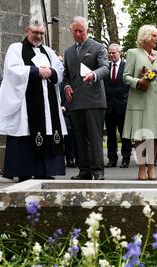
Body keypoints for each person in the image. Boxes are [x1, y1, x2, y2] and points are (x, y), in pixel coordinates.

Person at [0, 20, 67, 181]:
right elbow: (12, 69)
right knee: (25, 133)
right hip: (26, 104)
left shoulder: (48, 51)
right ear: (27, 31)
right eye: (35, 33)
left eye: (42, 33)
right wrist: (36, 71)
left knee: (48, 131)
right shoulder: (16, 48)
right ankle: (24, 171)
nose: (38, 36)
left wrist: (50, 71)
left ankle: (45, 171)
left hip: (47, 104)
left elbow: (59, 69)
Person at [63, 16, 109, 180]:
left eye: (80, 31)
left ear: (87, 30)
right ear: (71, 31)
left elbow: (105, 68)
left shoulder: (98, 47)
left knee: (94, 137)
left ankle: (98, 171)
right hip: (75, 102)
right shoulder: (68, 52)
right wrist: (67, 86)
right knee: (79, 138)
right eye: (74, 31)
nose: (77, 34)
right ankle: (84, 171)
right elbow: (66, 75)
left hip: (94, 101)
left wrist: (93, 74)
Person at [122, 25, 157, 180]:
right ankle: (141, 169)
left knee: (154, 136)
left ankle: (151, 168)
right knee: (140, 136)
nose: (156, 39)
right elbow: (125, 76)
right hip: (139, 100)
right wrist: (139, 81)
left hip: (156, 101)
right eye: (154, 36)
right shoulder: (133, 53)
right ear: (145, 37)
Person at [104, 43, 132, 169]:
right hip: (108, 106)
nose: (111, 55)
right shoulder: (105, 67)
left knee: (124, 134)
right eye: (109, 53)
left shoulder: (126, 67)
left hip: (122, 105)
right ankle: (112, 159)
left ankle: (126, 158)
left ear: (119, 53)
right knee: (110, 135)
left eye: (113, 52)